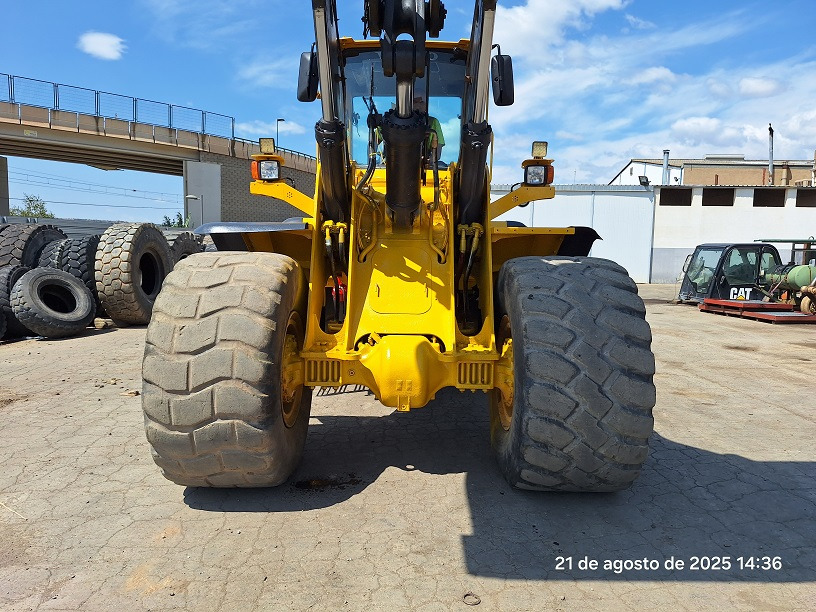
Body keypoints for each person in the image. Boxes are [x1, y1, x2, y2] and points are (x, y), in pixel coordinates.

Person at [413, 96, 445, 161]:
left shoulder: (433, 122)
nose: (418, 105)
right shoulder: (391, 124)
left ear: (426, 105)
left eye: (421, 102)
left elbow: (436, 155)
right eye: (414, 102)